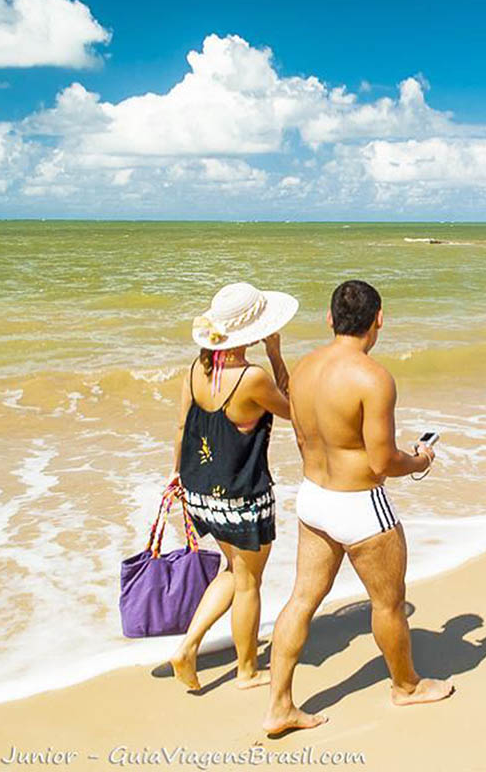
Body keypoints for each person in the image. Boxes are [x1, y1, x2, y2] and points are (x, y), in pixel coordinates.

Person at [262, 280, 453, 735]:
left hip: (313, 499)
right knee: (388, 604)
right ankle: (405, 687)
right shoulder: (373, 377)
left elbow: (293, 408)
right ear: (379, 319)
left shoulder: (305, 368)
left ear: (330, 320)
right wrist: (421, 459)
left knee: (302, 599)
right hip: (361, 507)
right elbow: (382, 462)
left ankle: (279, 705)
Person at [168, 282, 298, 691]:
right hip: (242, 493)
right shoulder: (253, 377)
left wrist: (176, 478)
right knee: (249, 582)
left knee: (233, 571)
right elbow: (294, 410)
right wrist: (276, 354)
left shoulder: (195, 369)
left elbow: (182, 427)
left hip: (201, 489)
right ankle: (245, 670)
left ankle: (188, 646)